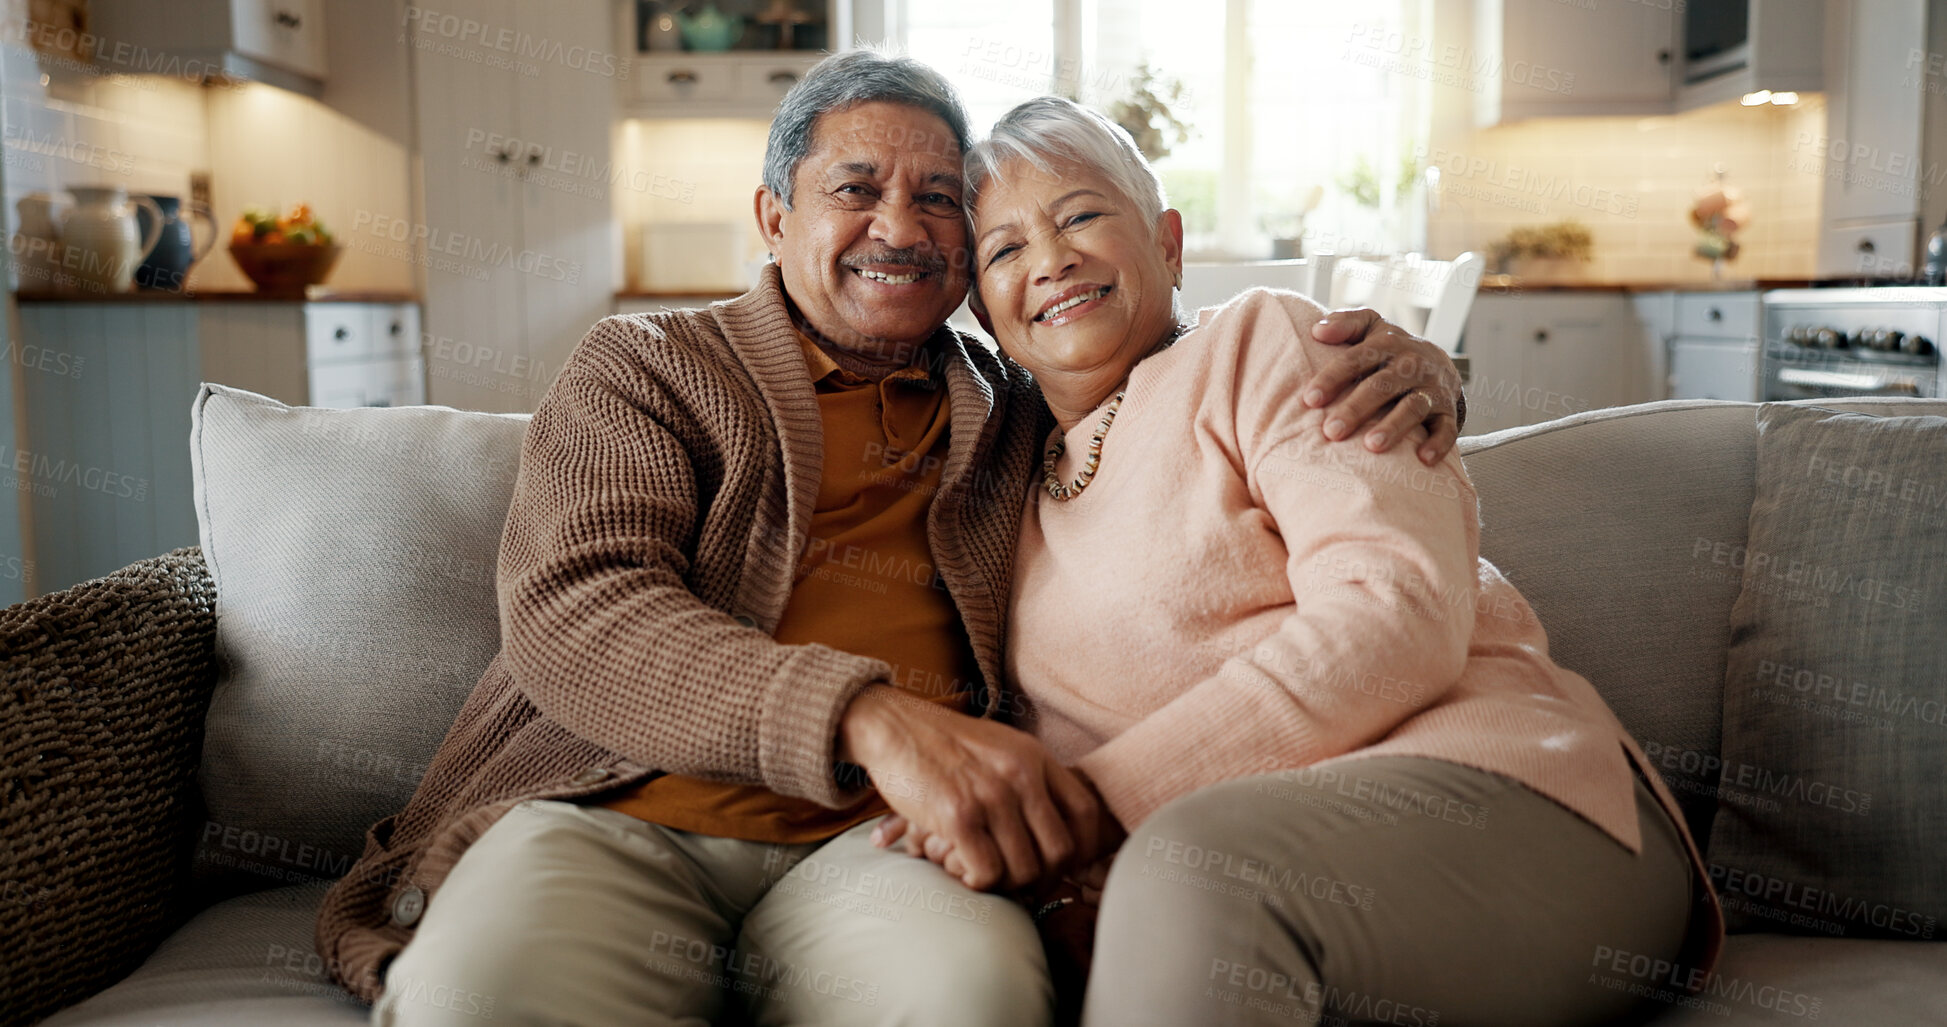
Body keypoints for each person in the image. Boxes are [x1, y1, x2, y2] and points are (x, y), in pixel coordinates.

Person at [314, 52, 1466, 1026]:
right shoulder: (649, 366)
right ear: (775, 217)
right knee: (482, 998)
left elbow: (1177, 362)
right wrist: (868, 717)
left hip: (888, 846)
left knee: (968, 1000)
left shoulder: (1021, 401)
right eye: (855, 188)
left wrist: (1407, 366)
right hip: (614, 814)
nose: (899, 228)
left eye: (939, 201)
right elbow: (580, 610)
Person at [878, 95, 1727, 1026]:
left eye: (1080, 214)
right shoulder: (993, 461)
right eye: (1003, 250)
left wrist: (1094, 809)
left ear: (1166, 241)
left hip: (1512, 799)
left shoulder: (1265, 345)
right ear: (981, 310)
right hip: (1233, 856)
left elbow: (1395, 611)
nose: (1050, 260)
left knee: (1193, 867)